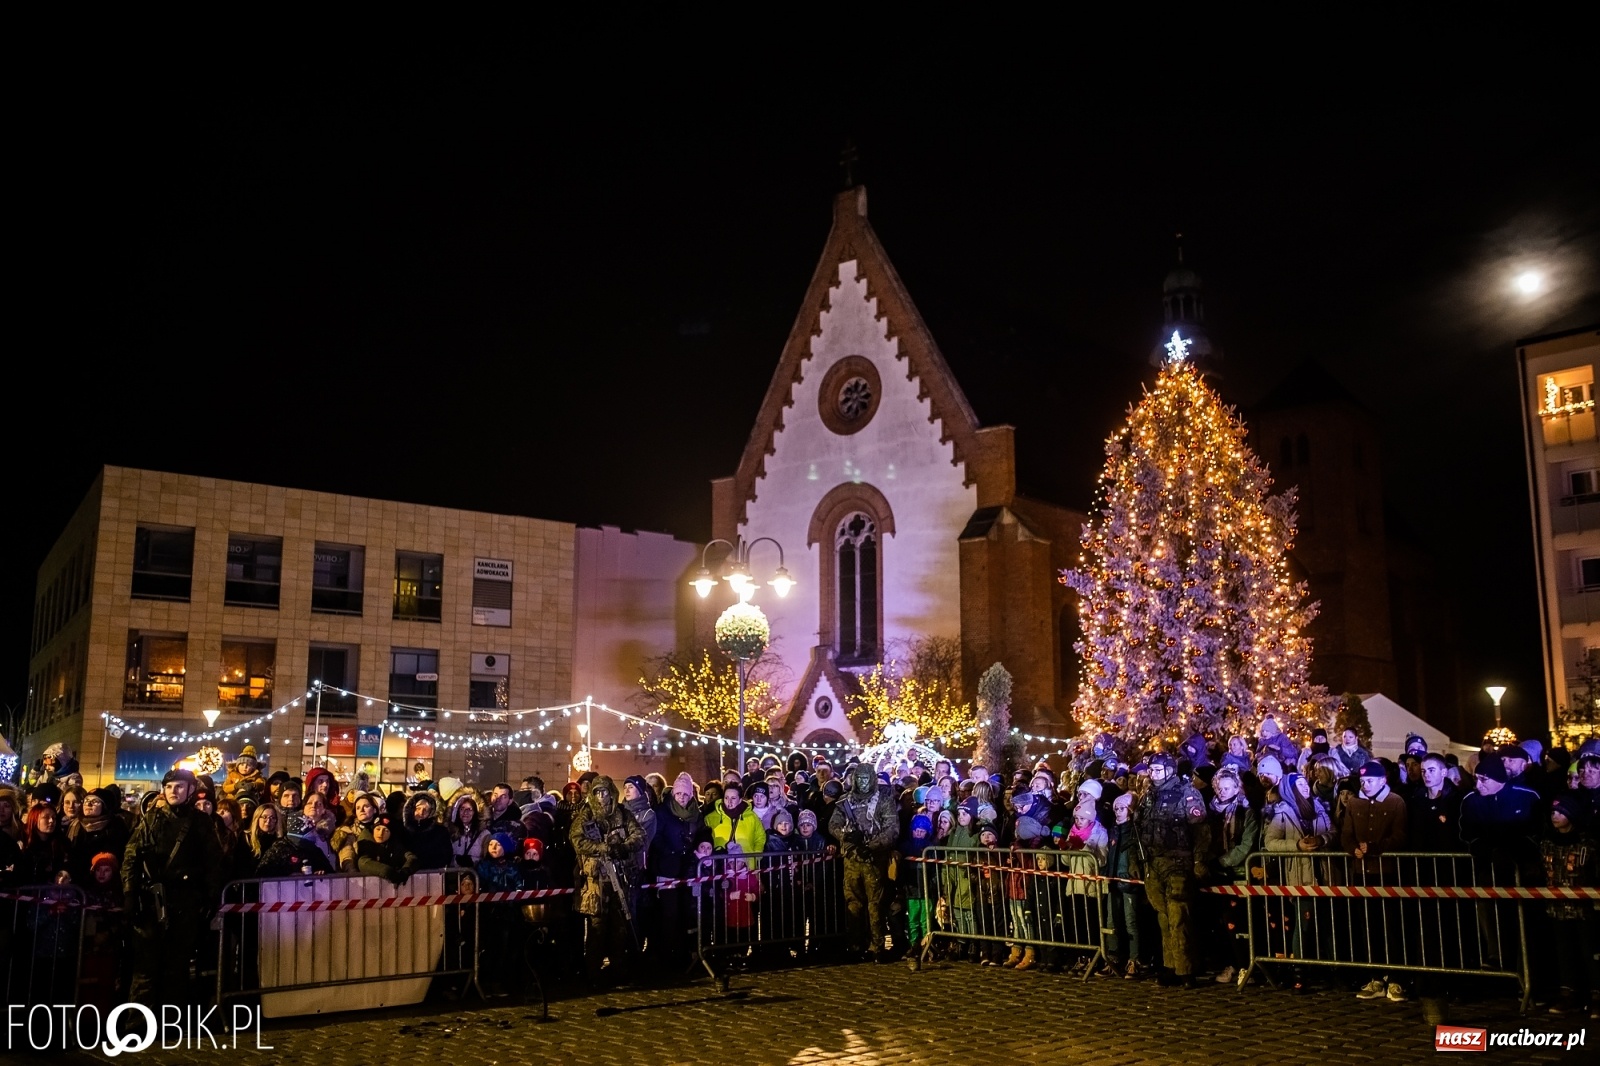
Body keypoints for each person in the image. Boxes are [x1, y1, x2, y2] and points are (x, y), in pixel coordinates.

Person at [122, 769, 224, 1007]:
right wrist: (129, 893)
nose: (173, 792)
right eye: (169, 787)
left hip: (185, 902)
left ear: (190, 790)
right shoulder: (151, 819)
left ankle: (171, 1022)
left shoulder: (200, 822)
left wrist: (210, 897)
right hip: (151, 902)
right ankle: (138, 1025)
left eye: (179, 787)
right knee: (145, 970)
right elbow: (131, 857)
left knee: (177, 968)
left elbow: (213, 861)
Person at [1137, 752, 1207, 988]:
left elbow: (1200, 831)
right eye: (1152, 770)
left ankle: (1186, 969)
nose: (1154, 774)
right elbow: (1139, 826)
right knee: (1163, 916)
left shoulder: (1187, 793)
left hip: (1178, 862)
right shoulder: (1148, 796)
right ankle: (1171, 965)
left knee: (1179, 915)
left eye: (1158, 769)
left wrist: (1199, 861)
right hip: (1153, 862)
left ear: (1169, 770)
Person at [1342, 760, 1409, 1003]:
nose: (1365, 784)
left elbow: (1400, 835)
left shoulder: (1395, 802)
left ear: (1383, 780)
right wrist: (1352, 849)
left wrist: (1375, 847)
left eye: (1370, 780)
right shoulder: (1354, 802)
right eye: (1363, 781)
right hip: (1362, 873)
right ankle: (1376, 977)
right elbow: (1346, 834)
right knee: (1368, 927)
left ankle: (1396, 977)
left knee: (1391, 925)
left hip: (1387, 872)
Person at [570, 775, 645, 987]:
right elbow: (577, 840)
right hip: (596, 881)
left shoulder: (623, 813)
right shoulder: (586, 815)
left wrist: (623, 847)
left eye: (604, 792)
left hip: (619, 878)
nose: (602, 796)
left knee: (619, 927)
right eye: (597, 792)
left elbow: (639, 835)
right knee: (596, 928)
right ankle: (593, 974)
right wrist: (601, 848)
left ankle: (618, 970)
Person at [830, 763, 900, 961]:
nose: (862, 782)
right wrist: (845, 836)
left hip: (873, 859)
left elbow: (891, 829)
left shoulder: (883, 801)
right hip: (852, 859)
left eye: (865, 778)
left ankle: (877, 946)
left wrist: (872, 845)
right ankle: (855, 945)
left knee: (875, 905)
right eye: (858, 778)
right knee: (853, 903)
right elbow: (833, 824)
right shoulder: (846, 801)